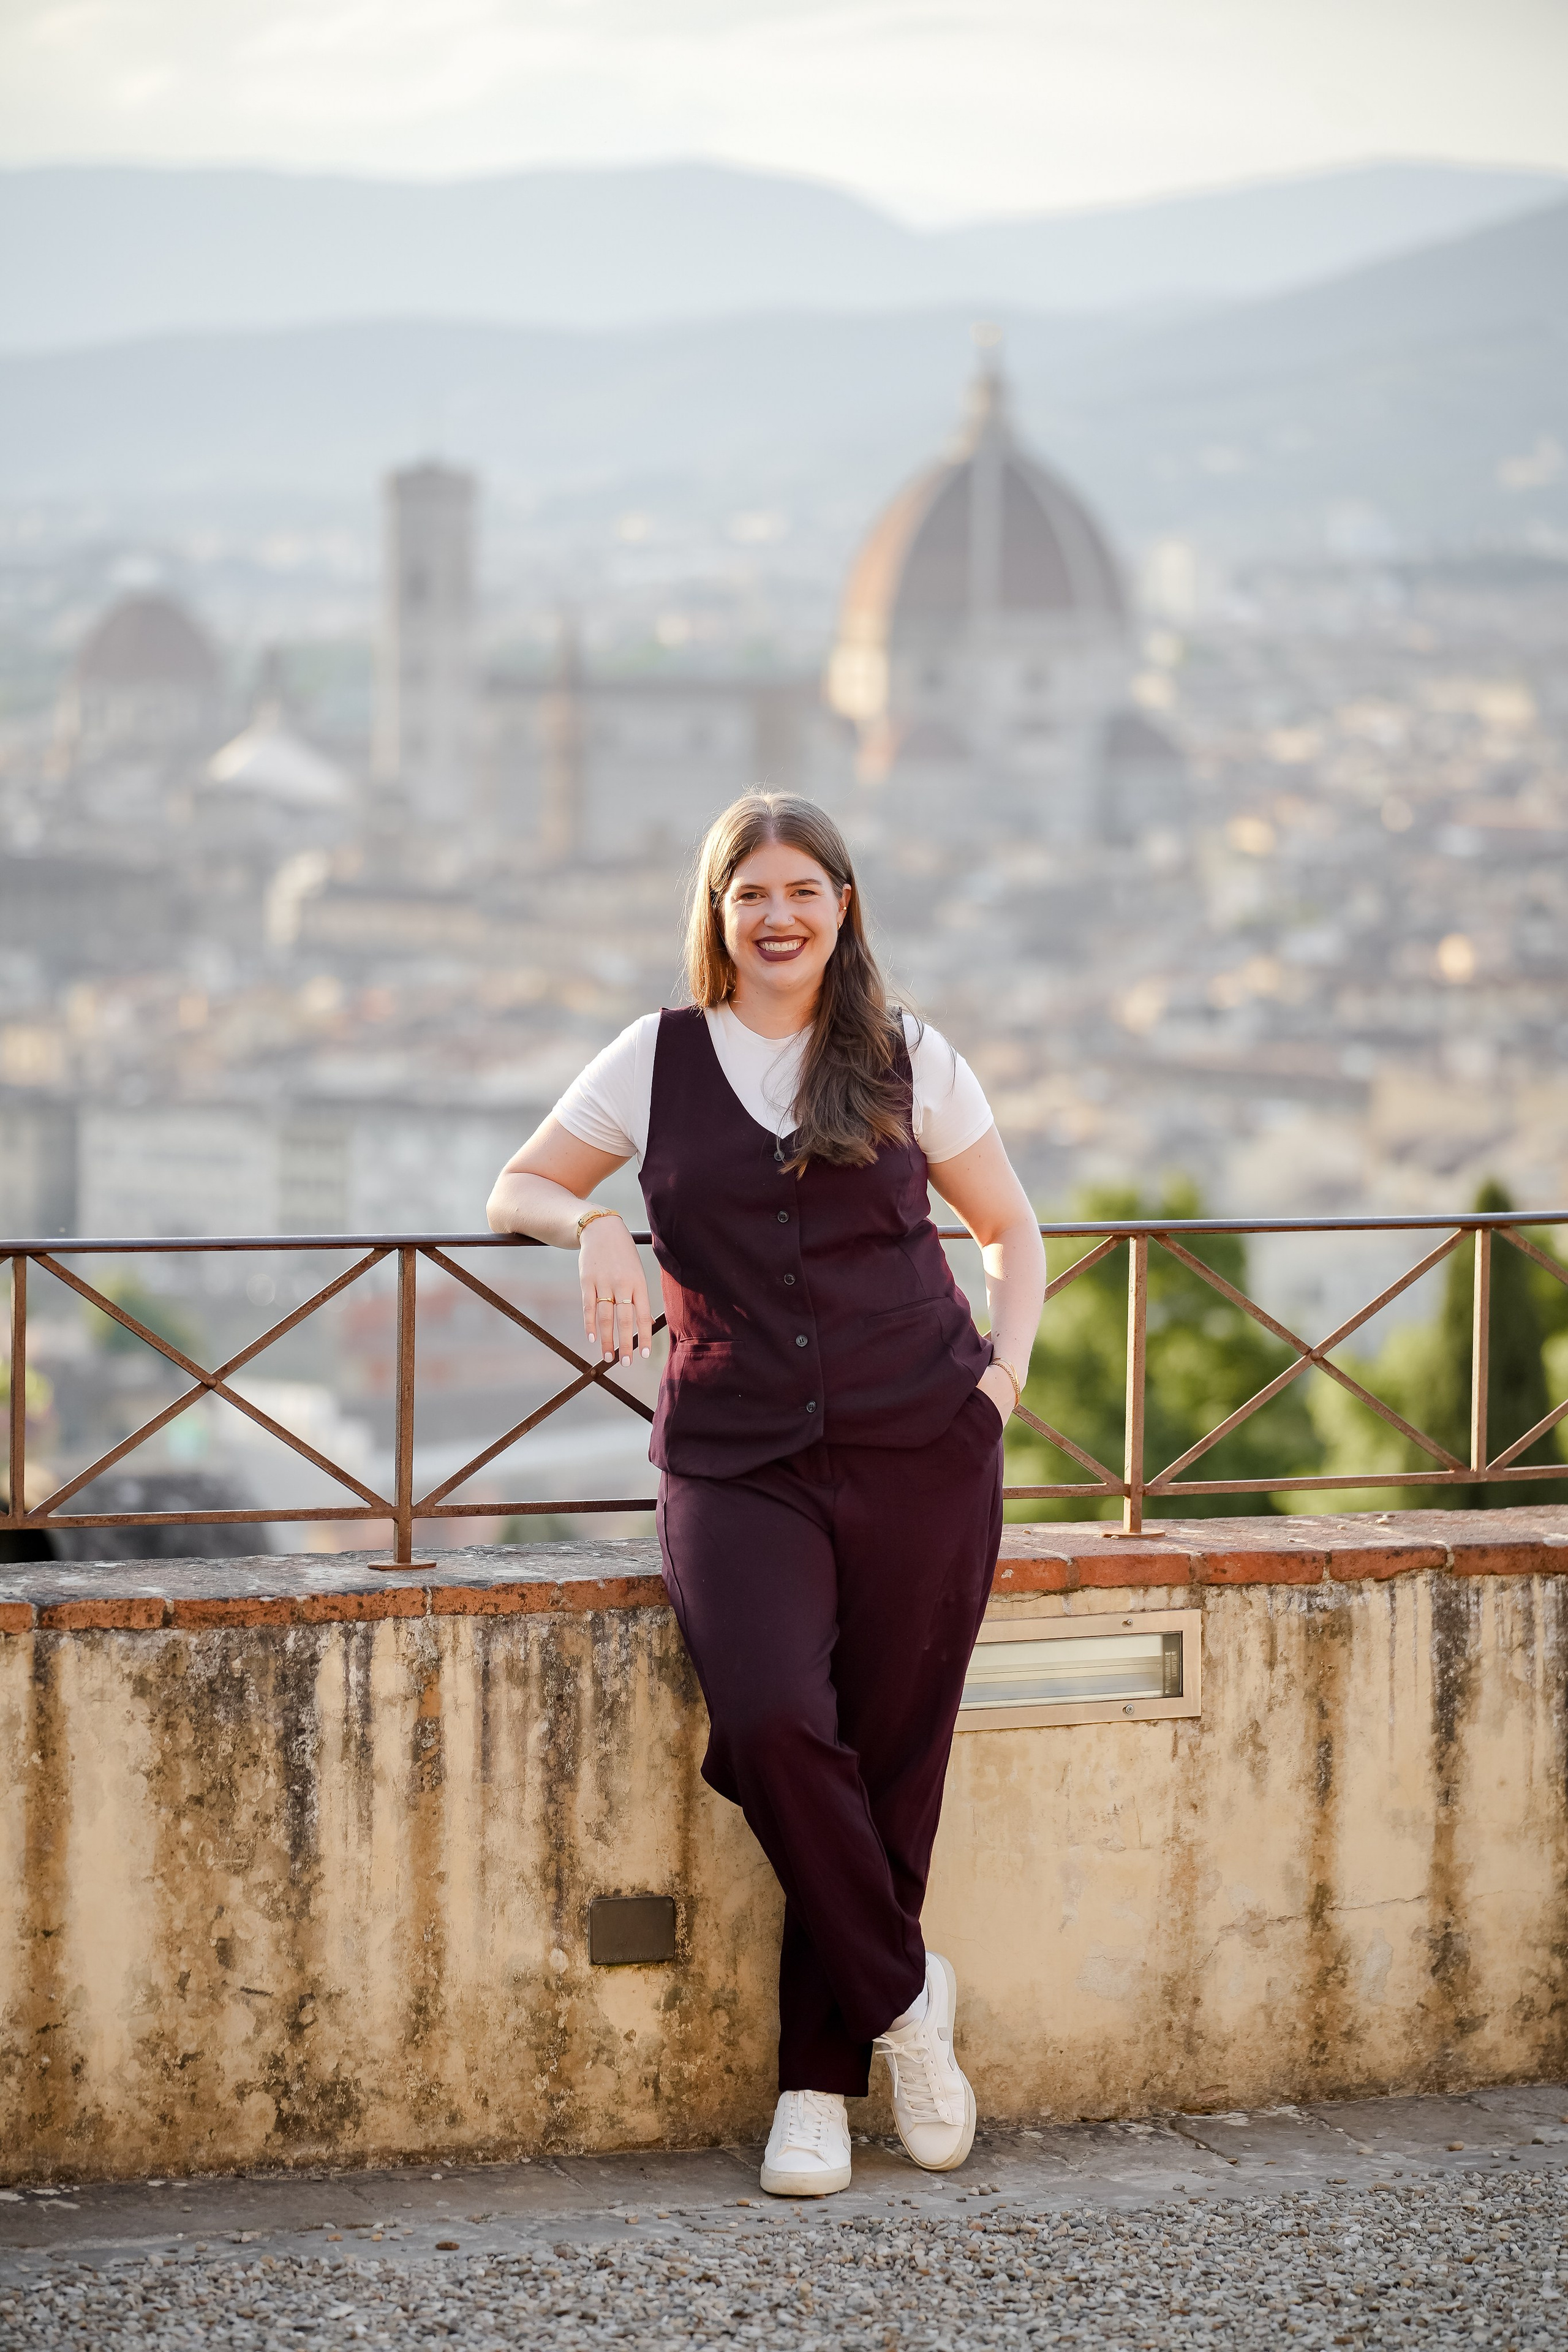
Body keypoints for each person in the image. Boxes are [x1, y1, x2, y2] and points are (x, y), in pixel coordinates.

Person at [488, 792, 1046, 2198]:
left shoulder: (908, 1057)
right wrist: (596, 1219)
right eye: (752, 894)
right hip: (734, 1455)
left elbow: (1009, 1229)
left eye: (804, 889)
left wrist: (999, 1393)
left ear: (841, 907)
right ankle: (910, 1999)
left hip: (923, 1442)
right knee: (775, 1721)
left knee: (892, 1754)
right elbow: (516, 1186)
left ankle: (814, 2084)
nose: (779, 915)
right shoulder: (656, 1057)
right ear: (717, 913)